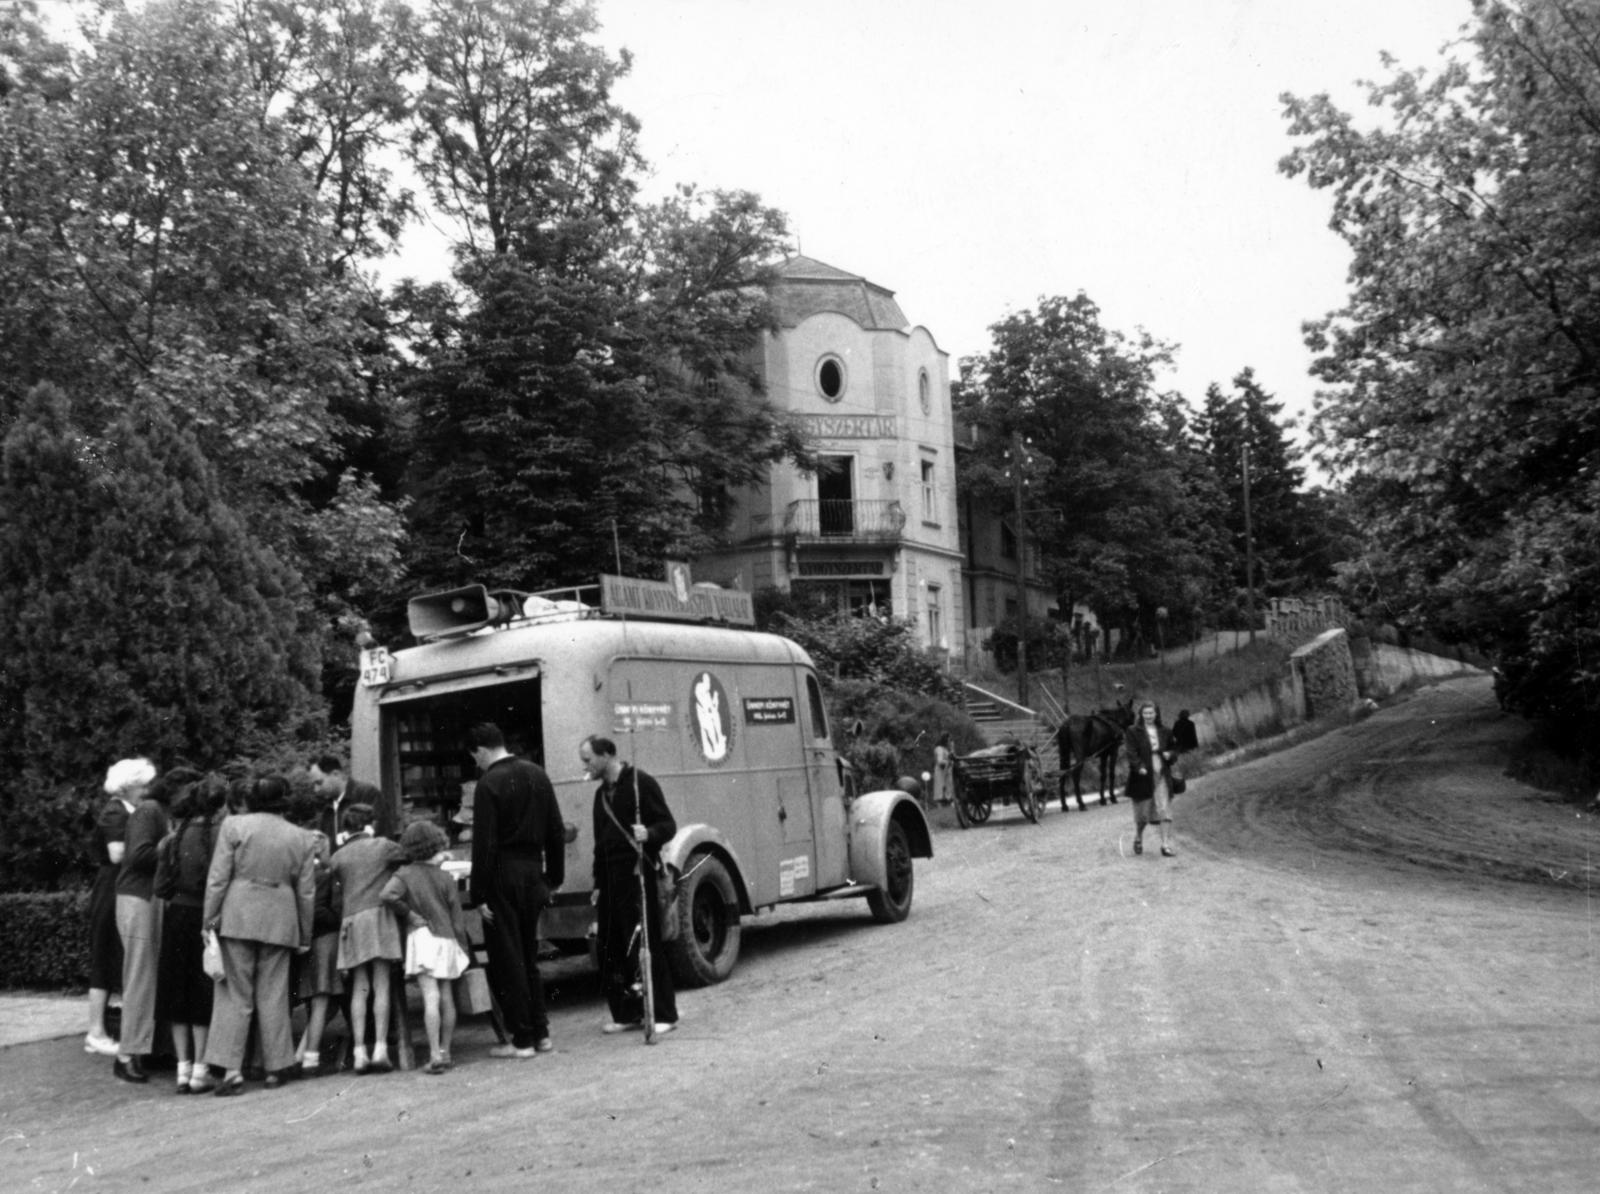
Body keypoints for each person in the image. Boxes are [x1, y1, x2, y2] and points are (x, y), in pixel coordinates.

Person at [202, 774, 317, 1096]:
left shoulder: (234, 826)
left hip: (238, 915)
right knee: (273, 995)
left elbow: (218, 879)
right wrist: (304, 934)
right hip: (281, 918)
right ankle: (275, 1067)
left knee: (234, 995)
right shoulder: (302, 837)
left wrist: (209, 920)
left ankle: (232, 1071)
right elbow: (306, 891)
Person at [467, 721, 566, 1058]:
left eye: (474, 757)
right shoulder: (537, 774)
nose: (476, 763)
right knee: (529, 957)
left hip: (501, 876)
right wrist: (553, 877)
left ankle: (522, 1039)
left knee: (507, 959)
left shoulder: (487, 784)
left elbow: (484, 845)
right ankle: (542, 1033)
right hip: (533, 872)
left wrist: (477, 894)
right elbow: (556, 829)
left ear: (480, 750)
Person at [580, 734, 678, 1036]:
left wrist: (648, 834)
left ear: (607, 755)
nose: (585, 765)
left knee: (645, 942)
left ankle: (664, 1013)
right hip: (609, 880)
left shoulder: (641, 783)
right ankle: (625, 1013)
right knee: (610, 944)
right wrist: (597, 882)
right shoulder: (600, 795)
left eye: (588, 759)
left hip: (637, 875)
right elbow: (599, 843)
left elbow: (668, 825)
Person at [381, 820, 472, 1075]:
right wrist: (462, 947)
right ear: (437, 844)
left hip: (422, 937)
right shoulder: (445, 877)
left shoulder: (404, 874)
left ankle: (433, 1055)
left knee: (429, 997)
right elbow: (457, 917)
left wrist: (409, 915)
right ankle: (446, 1051)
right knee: (447, 997)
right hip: (447, 939)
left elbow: (388, 895)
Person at [154, 773, 224, 1094]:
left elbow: (160, 887)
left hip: (176, 916)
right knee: (203, 992)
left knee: (176, 992)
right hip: (206, 917)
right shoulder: (220, 833)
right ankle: (202, 1067)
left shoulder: (174, 837)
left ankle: (182, 1069)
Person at [111, 764, 178, 1083]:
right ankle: (126, 1055)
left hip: (149, 898)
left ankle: (146, 1049)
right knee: (139, 976)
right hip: (138, 898)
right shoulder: (149, 811)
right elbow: (138, 856)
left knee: (150, 974)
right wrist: (174, 845)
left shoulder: (155, 811)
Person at [328, 803, 405, 1075]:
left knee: (359, 987)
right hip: (379, 918)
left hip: (351, 921)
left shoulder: (338, 856)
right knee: (382, 984)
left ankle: (359, 1050)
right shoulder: (384, 846)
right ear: (369, 824)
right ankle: (381, 1048)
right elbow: (406, 856)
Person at [86, 757, 154, 1058]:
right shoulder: (115, 812)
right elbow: (116, 854)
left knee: (117, 956)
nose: (146, 790)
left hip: (120, 886)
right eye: (143, 785)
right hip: (112, 888)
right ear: (128, 786)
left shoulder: (128, 810)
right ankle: (95, 1032)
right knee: (103, 955)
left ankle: (116, 1028)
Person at [291, 797, 342, 1077]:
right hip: (326, 942)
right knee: (324, 1000)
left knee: (317, 1001)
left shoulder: (297, 874)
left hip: (305, 943)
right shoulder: (326, 874)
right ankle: (310, 1057)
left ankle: (302, 1052)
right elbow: (326, 911)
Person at [1124, 701, 1179, 858]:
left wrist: (1170, 754)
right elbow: (1131, 752)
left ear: (1156, 714)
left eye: (1151, 713)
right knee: (1143, 815)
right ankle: (1138, 837)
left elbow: (1175, 749)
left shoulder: (1165, 731)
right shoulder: (1133, 731)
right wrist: (1138, 766)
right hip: (1142, 775)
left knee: (1164, 809)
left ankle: (1165, 845)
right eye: (1145, 713)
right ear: (1141, 715)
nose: (1149, 716)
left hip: (1162, 773)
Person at [309, 754, 394, 841]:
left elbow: (382, 836)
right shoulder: (326, 809)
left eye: (319, 783)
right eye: (314, 785)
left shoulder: (368, 794)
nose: (316, 789)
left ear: (336, 774)